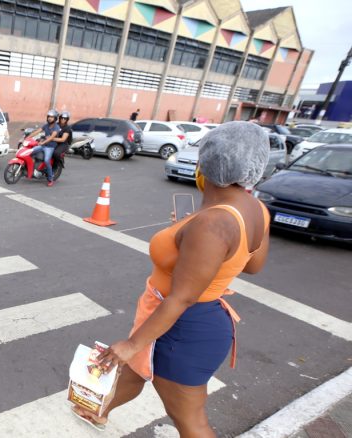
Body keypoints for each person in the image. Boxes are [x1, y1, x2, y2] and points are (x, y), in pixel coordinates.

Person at [73, 121, 271, 437]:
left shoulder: (212, 223)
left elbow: (183, 297)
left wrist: (132, 343)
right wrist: (189, 238)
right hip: (193, 321)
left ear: (206, 165)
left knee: (190, 421)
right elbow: (252, 264)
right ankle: (101, 410)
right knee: (136, 371)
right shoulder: (255, 209)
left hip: (181, 328)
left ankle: (103, 406)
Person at [27, 109, 61, 187]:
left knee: (46, 160)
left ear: (55, 118)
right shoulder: (46, 125)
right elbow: (38, 131)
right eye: (49, 116)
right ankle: (31, 170)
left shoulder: (56, 127)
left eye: (52, 117)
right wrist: (28, 137)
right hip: (43, 145)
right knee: (29, 152)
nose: (49, 118)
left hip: (50, 147)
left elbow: (52, 137)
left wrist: (43, 142)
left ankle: (50, 179)